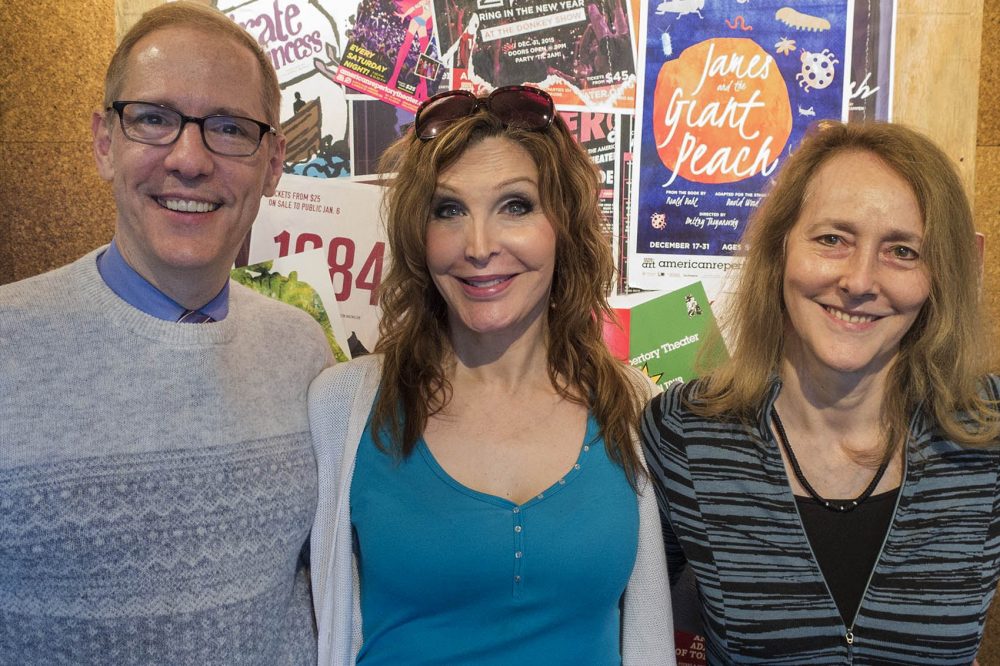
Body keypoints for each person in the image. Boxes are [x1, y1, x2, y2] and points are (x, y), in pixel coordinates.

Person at [0, 3, 332, 663]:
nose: (188, 159)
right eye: (154, 119)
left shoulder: (303, 353)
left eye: (229, 128)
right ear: (104, 142)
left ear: (271, 163)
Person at [308, 86, 674, 665]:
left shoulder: (630, 405)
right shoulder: (345, 407)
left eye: (516, 206)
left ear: (566, 225)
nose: (478, 246)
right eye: (448, 210)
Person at [641, 121, 1000, 663]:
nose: (859, 281)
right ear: (781, 248)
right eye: (832, 239)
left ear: (938, 276)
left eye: (902, 251)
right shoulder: (684, 433)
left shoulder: (989, 431)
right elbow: (628, 626)